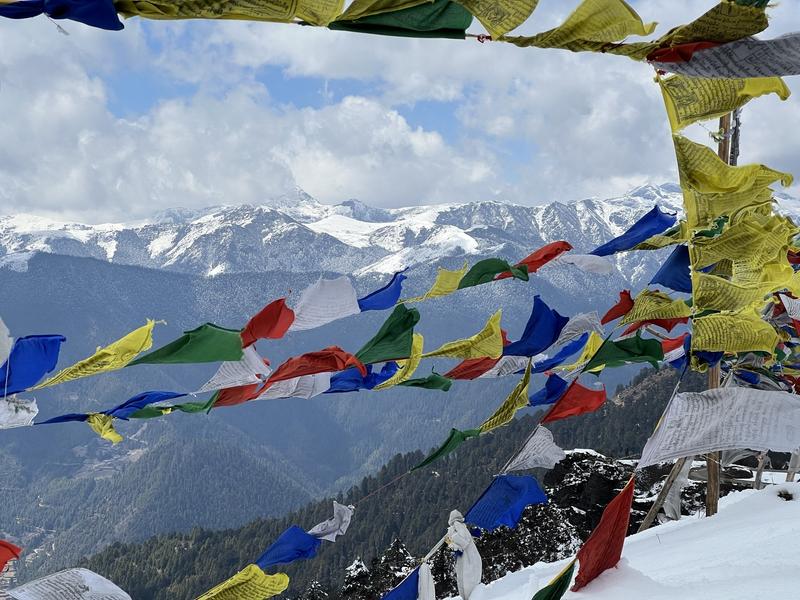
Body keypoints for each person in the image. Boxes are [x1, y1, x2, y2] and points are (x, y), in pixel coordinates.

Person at [445, 510, 482, 599]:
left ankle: (470, 597)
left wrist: (450, 543)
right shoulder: (460, 526)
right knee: (469, 578)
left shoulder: (456, 526)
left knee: (467, 578)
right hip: (470, 556)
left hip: (467, 557)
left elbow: (462, 541)